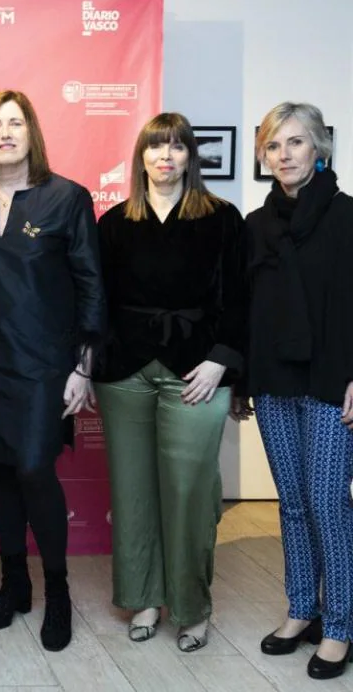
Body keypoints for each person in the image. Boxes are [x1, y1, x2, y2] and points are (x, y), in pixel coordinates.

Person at [0, 89, 105, 652]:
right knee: (4, 472)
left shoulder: (67, 198)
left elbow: (90, 284)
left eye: (16, 123)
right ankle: (14, 586)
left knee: (35, 467)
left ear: (32, 133)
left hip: (45, 365)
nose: (6, 133)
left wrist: (84, 366)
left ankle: (57, 592)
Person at [93, 112, 246, 652]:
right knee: (133, 492)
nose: (165, 157)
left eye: (176, 148)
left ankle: (191, 607)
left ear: (189, 158)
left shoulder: (224, 218)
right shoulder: (112, 223)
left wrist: (220, 361)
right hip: (125, 373)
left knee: (189, 493)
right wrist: (89, 364)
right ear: (141, 157)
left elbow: (239, 300)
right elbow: (99, 304)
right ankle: (144, 598)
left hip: (198, 372)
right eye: (156, 147)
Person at [245, 102, 353, 681]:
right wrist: (243, 381)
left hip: (333, 383)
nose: (284, 154)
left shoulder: (346, 216)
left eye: (295, 142)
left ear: (319, 148)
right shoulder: (255, 225)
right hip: (275, 382)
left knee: (328, 503)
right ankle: (300, 610)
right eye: (273, 145)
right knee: (291, 502)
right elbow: (246, 311)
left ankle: (340, 625)